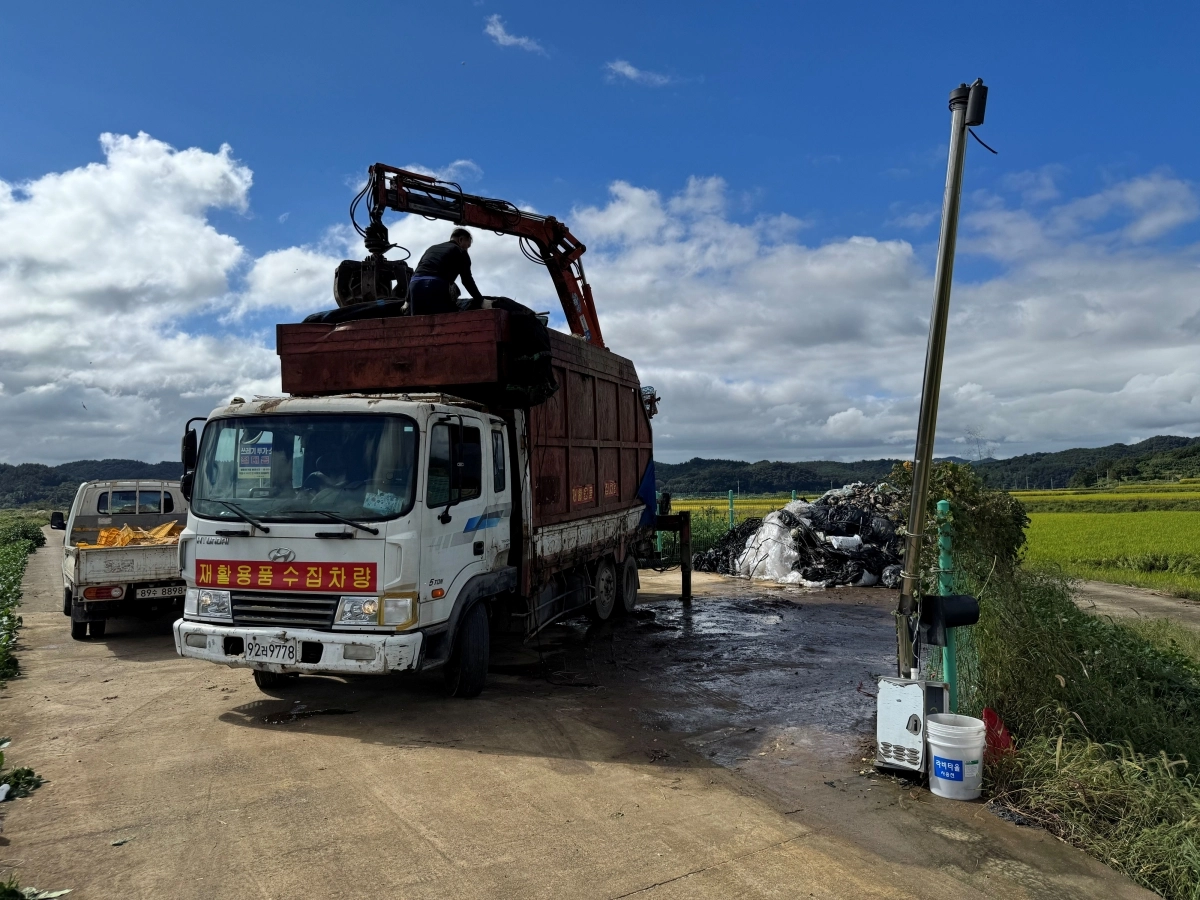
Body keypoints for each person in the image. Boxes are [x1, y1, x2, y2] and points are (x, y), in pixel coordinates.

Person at [408, 228, 485, 315]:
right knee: (448, 320)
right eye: (467, 246)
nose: (467, 249)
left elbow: (416, 272)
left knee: (418, 323)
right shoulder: (460, 251)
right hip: (435, 285)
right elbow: (467, 280)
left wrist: (407, 300)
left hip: (414, 286)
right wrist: (481, 300)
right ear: (461, 240)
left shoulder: (431, 248)